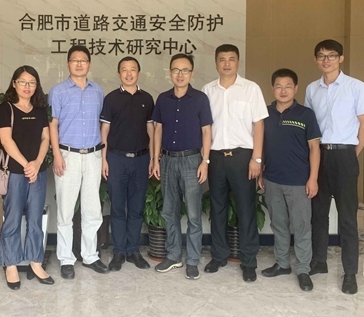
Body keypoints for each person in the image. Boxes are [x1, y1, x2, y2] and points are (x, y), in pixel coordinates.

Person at [305, 39, 364, 295]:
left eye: (332, 55)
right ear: (316, 60)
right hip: (319, 155)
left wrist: (352, 154)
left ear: (341, 58)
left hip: (345, 155)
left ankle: (350, 272)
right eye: (321, 55)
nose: (326, 60)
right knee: (318, 213)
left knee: (347, 218)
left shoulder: (357, 87)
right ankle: (319, 261)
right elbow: (310, 126)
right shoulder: (312, 89)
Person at [201, 44, 268, 282]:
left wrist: (257, 158)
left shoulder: (251, 89)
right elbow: (204, 128)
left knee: (246, 209)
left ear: (238, 62)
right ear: (216, 63)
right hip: (216, 157)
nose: (227, 63)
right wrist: (205, 159)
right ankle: (219, 256)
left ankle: (249, 261)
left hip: (243, 157)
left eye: (231, 59)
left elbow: (259, 125)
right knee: (217, 207)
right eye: (222, 59)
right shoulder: (207, 90)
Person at [257, 68, 321, 291]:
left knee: (302, 226)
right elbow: (261, 145)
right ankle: (282, 264)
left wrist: (313, 178)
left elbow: (314, 148)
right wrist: (261, 171)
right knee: (279, 224)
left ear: (296, 88)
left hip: (299, 182)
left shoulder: (306, 114)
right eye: (278, 86)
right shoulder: (265, 113)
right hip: (272, 179)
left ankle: (303, 269)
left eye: (288, 86)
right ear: (272, 88)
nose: (283, 91)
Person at [49, 45, 108, 279]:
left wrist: (102, 156)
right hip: (68, 155)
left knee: (92, 209)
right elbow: (53, 124)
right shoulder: (58, 91)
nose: (79, 64)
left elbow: (103, 125)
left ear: (89, 64)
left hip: (93, 155)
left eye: (83, 60)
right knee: (66, 210)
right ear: (68, 64)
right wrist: (56, 155)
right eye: (75, 60)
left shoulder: (98, 91)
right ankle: (66, 259)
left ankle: (90, 255)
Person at [151, 54, 212, 280]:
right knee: (170, 211)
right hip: (167, 160)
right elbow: (158, 129)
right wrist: (155, 159)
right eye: (176, 70)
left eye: (185, 70)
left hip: (192, 160)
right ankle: (174, 255)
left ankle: (193, 260)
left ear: (191, 73)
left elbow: (206, 131)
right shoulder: (163, 99)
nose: (180, 74)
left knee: (194, 214)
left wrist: (205, 161)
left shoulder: (200, 99)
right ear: (170, 72)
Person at [0, 66, 53, 290]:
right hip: (14, 173)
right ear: (14, 83)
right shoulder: (5, 109)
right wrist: (26, 164)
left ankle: (35, 262)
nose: (27, 86)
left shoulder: (40, 109)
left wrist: (36, 163)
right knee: (12, 218)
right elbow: (6, 141)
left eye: (32, 83)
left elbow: (45, 138)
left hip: (37, 172)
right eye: (22, 82)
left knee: (35, 219)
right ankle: (10, 264)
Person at [100, 57, 154, 272]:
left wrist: (153, 158)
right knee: (117, 207)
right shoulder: (111, 98)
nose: (129, 73)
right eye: (124, 70)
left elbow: (151, 130)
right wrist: (104, 159)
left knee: (136, 207)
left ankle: (133, 250)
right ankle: (119, 251)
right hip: (116, 159)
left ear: (138, 73)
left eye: (133, 70)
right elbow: (104, 131)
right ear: (119, 74)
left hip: (141, 159)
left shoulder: (147, 99)